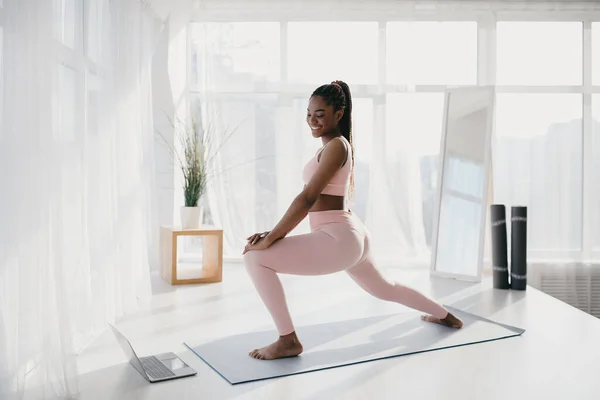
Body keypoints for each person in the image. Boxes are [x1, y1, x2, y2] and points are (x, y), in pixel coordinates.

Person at [242, 80, 463, 361]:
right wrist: (273, 234)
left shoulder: (336, 146)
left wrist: (273, 237)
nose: (312, 120)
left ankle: (288, 340)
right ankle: (445, 315)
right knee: (385, 289)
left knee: (254, 258)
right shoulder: (334, 147)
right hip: (348, 232)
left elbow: (308, 197)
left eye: (320, 114)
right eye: (309, 114)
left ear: (338, 113)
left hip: (337, 237)